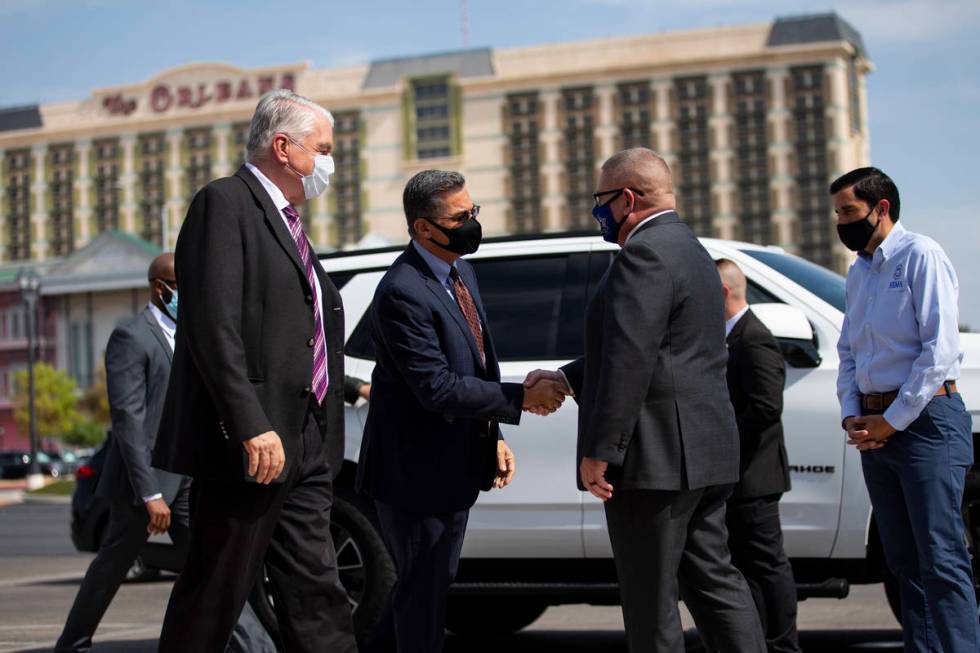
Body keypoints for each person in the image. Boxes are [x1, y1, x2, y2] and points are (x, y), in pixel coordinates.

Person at [526, 148, 765, 653]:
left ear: (628, 198)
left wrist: (600, 450)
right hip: (704, 453)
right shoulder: (692, 250)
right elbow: (659, 349)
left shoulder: (643, 253)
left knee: (650, 601)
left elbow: (630, 356)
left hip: (655, 462)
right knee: (716, 585)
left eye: (601, 200)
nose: (599, 212)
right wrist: (568, 379)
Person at [152, 89, 356, 652]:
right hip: (254, 444)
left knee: (316, 587)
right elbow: (212, 326)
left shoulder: (290, 223)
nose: (329, 163)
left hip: (307, 437)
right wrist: (248, 423)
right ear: (284, 147)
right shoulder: (225, 203)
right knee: (217, 588)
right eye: (324, 149)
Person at [355, 169, 566, 653]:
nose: (472, 223)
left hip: (453, 468)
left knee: (429, 584)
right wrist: (521, 399)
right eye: (460, 217)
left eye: (473, 212)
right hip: (414, 477)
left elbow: (477, 361)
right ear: (423, 227)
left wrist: (493, 435)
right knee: (422, 595)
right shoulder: (402, 291)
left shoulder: (460, 271)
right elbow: (437, 387)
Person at [54, 254, 274, 653]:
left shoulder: (192, 334)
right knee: (112, 566)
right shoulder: (130, 338)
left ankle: (257, 647)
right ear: (160, 288)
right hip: (146, 483)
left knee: (213, 563)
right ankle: (73, 643)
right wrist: (150, 494)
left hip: (188, 474)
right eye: (181, 285)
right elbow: (129, 420)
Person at [833, 167, 977, 652]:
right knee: (904, 562)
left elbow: (939, 351)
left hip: (925, 424)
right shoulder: (858, 273)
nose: (841, 221)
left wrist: (891, 422)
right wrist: (853, 415)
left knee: (941, 558)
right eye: (837, 213)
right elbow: (849, 352)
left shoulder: (921, 256)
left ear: (882, 208)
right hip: (875, 430)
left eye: (849, 211)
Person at [716, 259, 800, 653]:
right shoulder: (730, 336)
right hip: (740, 476)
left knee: (766, 566)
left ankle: (783, 644)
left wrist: (721, 441)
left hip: (755, 475)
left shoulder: (754, 337)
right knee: (747, 567)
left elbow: (766, 407)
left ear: (723, 293)